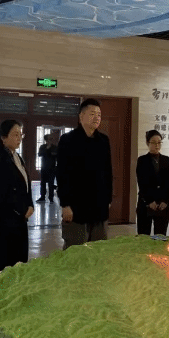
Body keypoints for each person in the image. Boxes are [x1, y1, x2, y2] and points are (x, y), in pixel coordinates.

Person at [57, 98, 112, 249]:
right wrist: (65, 204)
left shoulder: (103, 141)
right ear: (81, 116)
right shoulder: (68, 140)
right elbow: (62, 174)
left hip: (99, 205)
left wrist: (108, 199)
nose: (97, 118)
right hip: (76, 207)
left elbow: (108, 172)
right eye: (92, 114)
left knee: (98, 250)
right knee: (76, 250)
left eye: (99, 115)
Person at [0, 120, 34, 274]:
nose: (19, 138)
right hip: (4, 220)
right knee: (2, 265)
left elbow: (26, 185)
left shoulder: (17, 157)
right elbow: (2, 192)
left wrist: (30, 204)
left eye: (21, 135)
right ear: (3, 137)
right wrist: (21, 210)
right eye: (15, 134)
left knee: (19, 263)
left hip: (20, 219)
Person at [136, 130, 169, 236]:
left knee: (160, 237)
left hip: (163, 205)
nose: (157, 145)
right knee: (143, 237)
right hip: (146, 204)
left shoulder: (166, 160)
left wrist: (165, 201)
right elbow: (142, 182)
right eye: (153, 142)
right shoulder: (142, 160)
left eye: (159, 142)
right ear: (147, 143)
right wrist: (149, 201)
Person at [36, 134, 57, 202]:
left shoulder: (55, 147)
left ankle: (51, 198)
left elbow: (57, 156)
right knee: (43, 183)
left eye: (51, 139)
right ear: (46, 140)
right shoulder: (42, 147)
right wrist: (47, 149)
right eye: (49, 139)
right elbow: (39, 154)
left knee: (51, 183)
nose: (50, 140)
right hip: (44, 168)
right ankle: (42, 197)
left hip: (52, 168)